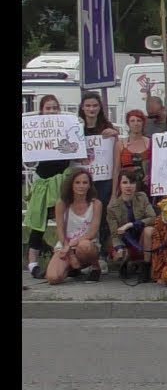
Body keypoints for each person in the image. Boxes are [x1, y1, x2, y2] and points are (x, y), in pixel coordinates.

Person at [26, 95, 73, 279]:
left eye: (54, 108)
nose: (51, 111)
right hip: (44, 180)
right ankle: (33, 262)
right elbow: (30, 156)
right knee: (39, 221)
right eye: (48, 108)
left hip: (62, 178)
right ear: (42, 110)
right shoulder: (35, 130)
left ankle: (69, 258)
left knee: (66, 220)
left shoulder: (67, 128)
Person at [45, 168, 103, 285]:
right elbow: (60, 229)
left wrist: (71, 245)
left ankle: (96, 268)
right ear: (71, 184)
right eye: (77, 182)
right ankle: (70, 268)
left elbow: (92, 232)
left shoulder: (96, 204)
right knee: (53, 278)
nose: (81, 186)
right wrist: (68, 250)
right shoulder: (62, 203)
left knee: (84, 245)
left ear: (89, 185)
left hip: (86, 244)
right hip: (65, 244)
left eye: (85, 183)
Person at [79, 91, 117, 253]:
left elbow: (115, 154)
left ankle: (103, 253)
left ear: (100, 107)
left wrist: (115, 135)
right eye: (88, 105)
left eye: (95, 105)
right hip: (82, 180)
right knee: (84, 215)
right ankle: (84, 250)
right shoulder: (76, 129)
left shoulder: (107, 128)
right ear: (82, 108)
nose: (91, 109)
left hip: (103, 179)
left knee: (102, 217)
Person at [105, 169, 156, 280]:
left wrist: (131, 224)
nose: (128, 186)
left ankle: (146, 268)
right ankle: (124, 263)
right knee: (119, 252)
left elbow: (152, 218)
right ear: (119, 185)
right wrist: (119, 248)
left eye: (132, 182)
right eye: (125, 183)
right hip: (124, 240)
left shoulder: (142, 197)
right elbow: (114, 234)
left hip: (141, 239)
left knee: (149, 230)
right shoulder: (112, 208)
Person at [113, 109, 151, 200]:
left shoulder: (150, 142)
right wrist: (113, 194)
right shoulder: (120, 144)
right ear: (128, 123)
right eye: (132, 121)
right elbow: (116, 171)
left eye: (139, 120)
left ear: (143, 123)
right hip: (126, 187)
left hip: (145, 187)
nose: (136, 123)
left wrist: (150, 176)